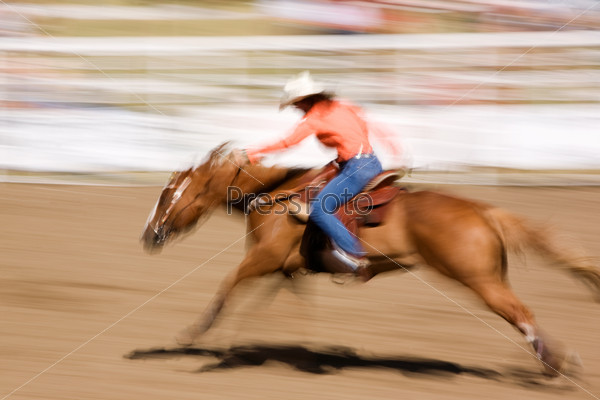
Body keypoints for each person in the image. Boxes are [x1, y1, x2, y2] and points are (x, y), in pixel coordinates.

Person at [232, 71, 402, 279]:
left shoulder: (314, 119)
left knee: (321, 208)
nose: (295, 108)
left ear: (305, 99)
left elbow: (287, 142)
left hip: (355, 167)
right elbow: (366, 125)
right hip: (370, 161)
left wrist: (249, 153)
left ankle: (354, 254)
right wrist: (390, 149)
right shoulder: (342, 105)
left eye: (296, 103)